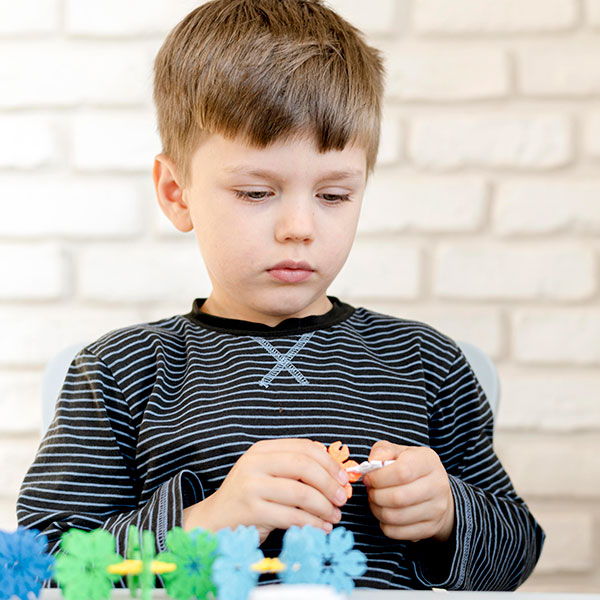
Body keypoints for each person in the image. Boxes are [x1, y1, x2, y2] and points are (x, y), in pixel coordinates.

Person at [17, 0, 544, 590]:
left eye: (334, 196)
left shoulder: (428, 365)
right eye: (256, 192)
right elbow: (47, 565)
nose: (299, 227)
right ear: (176, 192)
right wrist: (209, 522)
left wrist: (447, 516)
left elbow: (518, 553)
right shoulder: (120, 373)